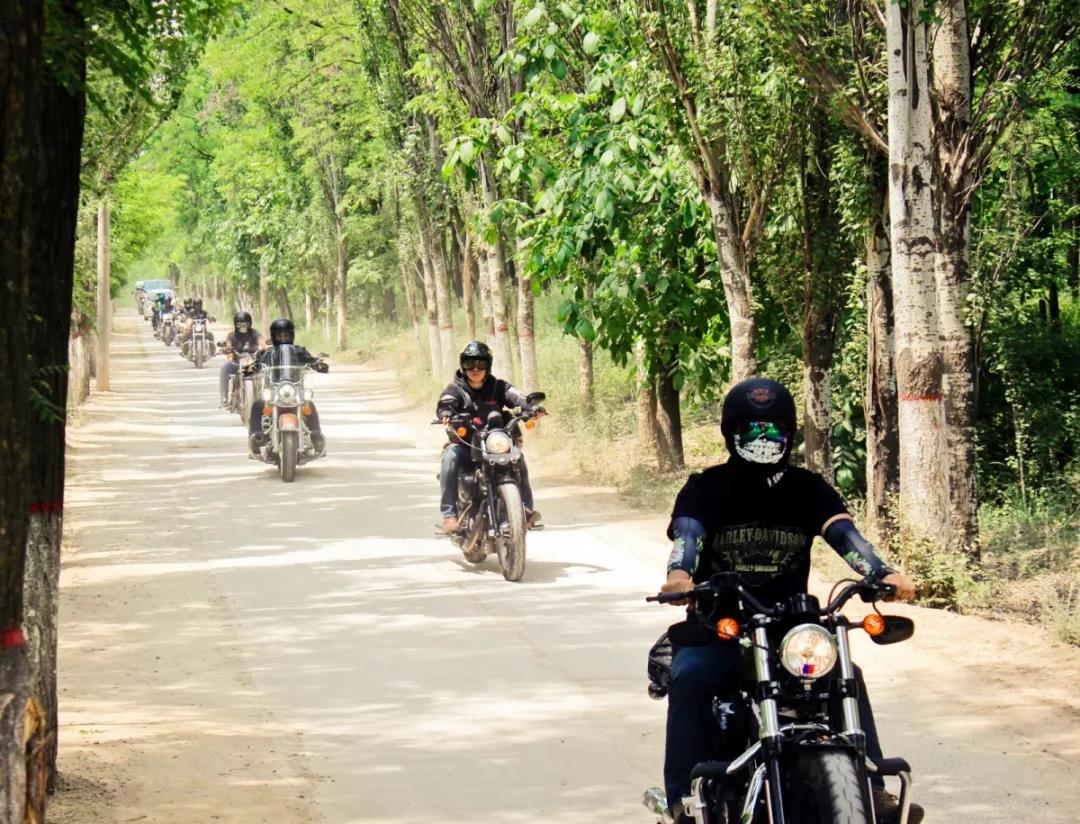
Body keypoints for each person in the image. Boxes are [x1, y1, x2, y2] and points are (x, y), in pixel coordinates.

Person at [658, 377, 923, 824]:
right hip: (724, 626)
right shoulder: (705, 489)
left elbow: (844, 534)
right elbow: (689, 537)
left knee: (846, 674)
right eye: (753, 430)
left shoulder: (807, 489)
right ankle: (683, 799)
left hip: (791, 629)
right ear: (731, 434)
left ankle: (873, 791)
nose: (765, 440)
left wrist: (880, 572)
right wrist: (680, 576)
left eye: (774, 430)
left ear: (789, 434)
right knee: (689, 675)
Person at [435, 341, 541, 534]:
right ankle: (449, 515)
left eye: (480, 364)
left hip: (496, 443)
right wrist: (446, 413)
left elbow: (518, 397)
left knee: (518, 456)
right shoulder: (455, 389)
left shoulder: (497, 387)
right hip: (467, 445)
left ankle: (525, 510)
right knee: (450, 456)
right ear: (462, 366)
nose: (475, 369)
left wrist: (531, 407)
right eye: (469, 364)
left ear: (488, 366)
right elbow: (445, 403)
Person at [247, 318, 327, 457]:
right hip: (274, 391)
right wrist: (250, 368)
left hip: (294, 390)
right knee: (258, 405)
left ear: (291, 336)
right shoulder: (267, 353)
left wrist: (318, 364)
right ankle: (256, 437)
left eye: (286, 336)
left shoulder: (299, 351)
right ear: (274, 337)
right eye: (280, 336)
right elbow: (256, 364)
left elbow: (311, 360)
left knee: (309, 406)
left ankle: (316, 436)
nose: (283, 338)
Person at [219, 311, 262, 407]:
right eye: (239, 323)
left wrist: (264, 347)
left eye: (245, 323)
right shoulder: (232, 335)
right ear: (235, 324)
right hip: (237, 363)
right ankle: (224, 397)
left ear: (250, 323)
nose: (242, 326)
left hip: (252, 363)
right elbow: (228, 343)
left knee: (267, 370)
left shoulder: (255, 333)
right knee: (224, 368)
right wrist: (227, 348)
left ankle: (267, 397)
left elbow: (261, 341)